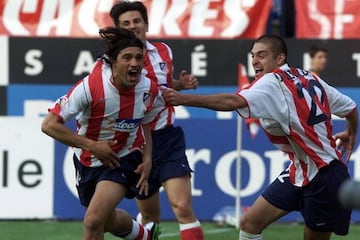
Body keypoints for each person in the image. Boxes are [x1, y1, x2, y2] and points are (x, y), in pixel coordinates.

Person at [162, 34, 358, 240]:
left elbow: (230, 102)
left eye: (262, 55)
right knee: (250, 223)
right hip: (299, 170)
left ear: (280, 59)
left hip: (324, 176)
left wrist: (182, 98)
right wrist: (350, 132)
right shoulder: (308, 77)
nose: (254, 61)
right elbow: (351, 108)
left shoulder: (272, 82)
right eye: (253, 55)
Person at [41, 27, 163, 240]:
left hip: (123, 159)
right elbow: (49, 125)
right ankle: (144, 235)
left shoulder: (149, 90)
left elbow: (146, 122)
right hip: (87, 161)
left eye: (139, 58)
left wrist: (148, 158)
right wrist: (92, 145)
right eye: (127, 58)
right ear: (113, 62)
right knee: (107, 220)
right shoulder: (91, 87)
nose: (134, 63)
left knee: (93, 221)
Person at [109, 2, 204, 239]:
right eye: (126, 24)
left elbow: (163, 83)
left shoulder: (164, 51)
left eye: (137, 21)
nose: (133, 27)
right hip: (136, 144)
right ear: (119, 29)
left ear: (146, 24)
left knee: (182, 207)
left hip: (167, 136)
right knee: (151, 217)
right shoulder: (110, 62)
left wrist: (181, 85)